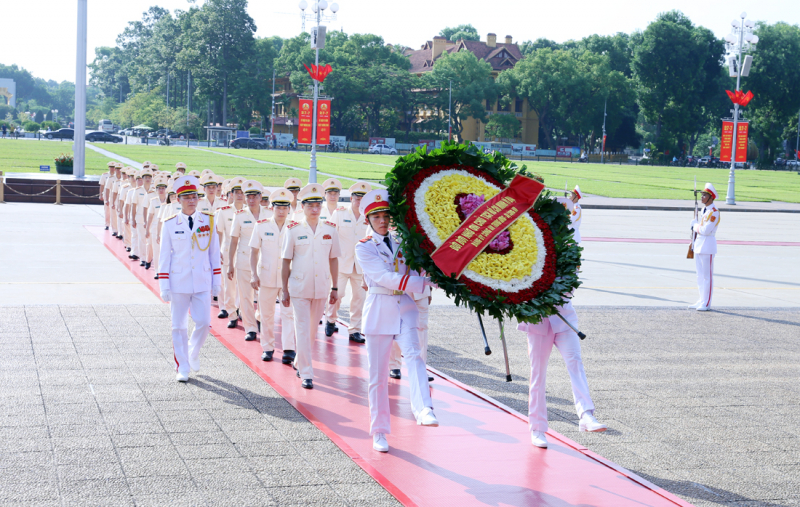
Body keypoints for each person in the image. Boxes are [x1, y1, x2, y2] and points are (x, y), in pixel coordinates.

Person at [355, 189, 439, 453]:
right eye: (376, 216)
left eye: (386, 215)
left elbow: (417, 268)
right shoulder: (364, 247)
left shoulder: (404, 241)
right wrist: (419, 282)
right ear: (368, 220)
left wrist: (432, 272)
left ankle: (423, 408)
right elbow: (384, 278)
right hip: (380, 309)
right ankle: (379, 431)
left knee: (414, 356)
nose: (382, 220)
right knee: (377, 377)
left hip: (404, 307)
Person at [157, 175, 222, 382]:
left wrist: (217, 282)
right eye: (186, 197)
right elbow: (164, 257)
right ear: (177, 199)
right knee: (178, 326)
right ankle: (182, 366)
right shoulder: (169, 224)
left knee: (203, 322)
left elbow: (214, 254)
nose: (191, 201)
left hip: (202, 281)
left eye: (194, 196)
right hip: (178, 282)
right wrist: (164, 285)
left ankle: (193, 351)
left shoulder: (208, 221)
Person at [518, 300, 607, 448]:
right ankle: (537, 428)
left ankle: (586, 414)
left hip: (564, 320)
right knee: (538, 374)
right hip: (536, 320)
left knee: (575, 364)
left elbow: (569, 286)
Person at [280, 184, 341, 390]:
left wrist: (335, 287)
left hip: (321, 287)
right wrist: (284, 289)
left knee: (313, 330)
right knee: (303, 329)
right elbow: (285, 261)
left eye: (318, 205)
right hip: (299, 287)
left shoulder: (330, 229)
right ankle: (306, 372)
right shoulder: (293, 230)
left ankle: (299, 361)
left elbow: (334, 260)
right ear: (303, 207)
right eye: (310, 205)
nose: (315, 209)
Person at [249, 188, 296, 364]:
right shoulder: (261, 226)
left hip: (288, 278)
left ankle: (289, 349)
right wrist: (253, 274)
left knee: (288, 314)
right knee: (266, 314)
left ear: (289, 209)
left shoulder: (294, 227)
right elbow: (253, 252)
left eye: (285, 208)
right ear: (272, 207)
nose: (281, 211)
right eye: (278, 207)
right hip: (266, 277)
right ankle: (268, 347)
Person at [325, 181, 371, 343]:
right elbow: (329, 235)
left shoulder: (370, 216)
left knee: (359, 299)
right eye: (357, 198)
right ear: (351, 198)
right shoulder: (340, 213)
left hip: (361, 265)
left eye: (363, 199)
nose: (359, 202)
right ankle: (330, 320)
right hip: (341, 261)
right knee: (338, 294)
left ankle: (355, 330)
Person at [228, 180, 264, 341]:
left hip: (265, 261)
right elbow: (233, 241)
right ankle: (250, 328)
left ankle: (260, 318)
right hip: (243, 260)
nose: (251, 200)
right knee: (245, 296)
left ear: (260, 197)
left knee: (264, 295)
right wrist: (230, 263)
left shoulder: (269, 214)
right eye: (248, 196)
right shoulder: (240, 216)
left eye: (254, 196)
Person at [215, 177, 246, 327]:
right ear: (231, 194)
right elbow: (219, 232)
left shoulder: (249, 212)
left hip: (245, 252)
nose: (240, 195)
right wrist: (217, 250)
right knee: (229, 284)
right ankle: (231, 314)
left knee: (243, 284)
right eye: (237, 192)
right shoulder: (224, 211)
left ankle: (240, 309)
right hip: (228, 251)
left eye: (242, 193)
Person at [689, 183, 720, 312]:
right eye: (701, 195)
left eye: (704, 195)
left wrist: (695, 225)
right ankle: (701, 299)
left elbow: (706, 230)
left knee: (707, 277)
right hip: (699, 245)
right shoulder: (703, 210)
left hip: (707, 246)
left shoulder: (714, 212)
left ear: (711, 197)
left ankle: (706, 303)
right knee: (699, 275)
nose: (702, 197)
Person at [144, 176, 168, 275]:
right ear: (156, 190)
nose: (161, 190)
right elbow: (150, 216)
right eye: (159, 188)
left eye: (163, 188)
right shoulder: (153, 201)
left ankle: (166, 270)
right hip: (155, 229)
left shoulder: (170, 201)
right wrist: (147, 229)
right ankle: (158, 271)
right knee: (156, 250)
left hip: (167, 229)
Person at [99, 162, 114, 230]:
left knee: (114, 212)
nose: (112, 168)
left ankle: (115, 227)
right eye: (111, 167)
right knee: (107, 211)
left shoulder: (117, 176)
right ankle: (107, 224)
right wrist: (100, 195)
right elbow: (102, 186)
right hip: (107, 195)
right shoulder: (105, 175)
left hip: (114, 196)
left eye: (113, 167)